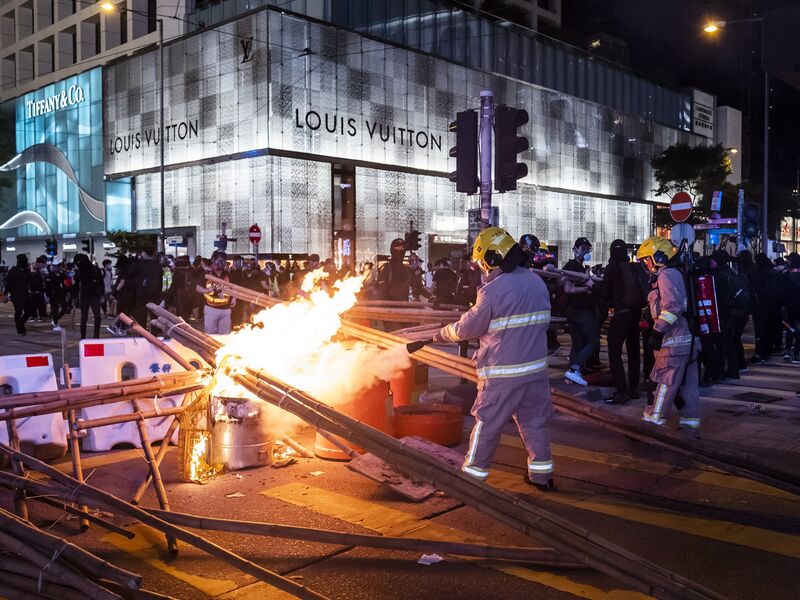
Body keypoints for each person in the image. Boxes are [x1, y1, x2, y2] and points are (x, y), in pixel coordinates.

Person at [430, 227, 555, 491]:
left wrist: (443, 333)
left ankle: (471, 479)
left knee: (487, 425)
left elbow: (468, 328)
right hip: (536, 372)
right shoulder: (536, 282)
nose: (482, 269)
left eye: (482, 263)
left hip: (503, 375)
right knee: (534, 423)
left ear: (492, 258)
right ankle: (542, 476)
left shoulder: (493, 290)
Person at [636, 237, 701, 431]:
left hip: (673, 342)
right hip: (687, 341)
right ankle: (690, 421)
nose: (646, 264)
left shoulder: (666, 275)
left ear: (658, 256)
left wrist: (657, 332)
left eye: (647, 259)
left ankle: (654, 421)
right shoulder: (677, 273)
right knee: (686, 386)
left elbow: (671, 308)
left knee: (662, 383)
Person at [597, 240, 647, 404]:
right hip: (636, 314)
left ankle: (621, 390)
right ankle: (634, 389)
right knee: (633, 352)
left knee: (614, 351)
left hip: (621, 314)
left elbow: (604, 292)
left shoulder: (612, 268)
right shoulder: (635, 268)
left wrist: (592, 286)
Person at [562, 237, 597, 385]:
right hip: (579, 310)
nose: (586, 252)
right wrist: (587, 289)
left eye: (587, 249)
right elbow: (568, 289)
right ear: (574, 250)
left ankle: (572, 375)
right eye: (582, 248)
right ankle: (575, 369)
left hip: (574, 310)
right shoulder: (572, 266)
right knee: (593, 342)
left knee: (578, 343)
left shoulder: (580, 267)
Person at [196, 251, 235, 334]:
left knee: (225, 334)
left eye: (223, 260)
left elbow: (234, 288)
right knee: (210, 333)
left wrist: (234, 298)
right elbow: (197, 288)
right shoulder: (206, 274)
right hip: (211, 308)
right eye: (218, 260)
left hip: (226, 309)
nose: (221, 262)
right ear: (213, 260)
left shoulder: (228, 275)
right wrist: (207, 290)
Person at [132, 247, 164, 331]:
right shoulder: (157, 265)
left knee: (142, 313)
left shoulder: (139, 264)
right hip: (155, 292)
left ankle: (142, 331)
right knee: (154, 313)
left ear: (144, 253)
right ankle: (155, 331)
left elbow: (131, 274)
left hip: (142, 292)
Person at [74, 254, 104, 339]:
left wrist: (101, 294)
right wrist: (75, 297)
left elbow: (101, 282)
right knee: (85, 317)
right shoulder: (79, 271)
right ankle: (84, 337)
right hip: (86, 296)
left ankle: (95, 336)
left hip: (93, 295)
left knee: (96, 317)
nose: (77, 264)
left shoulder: (95, 269)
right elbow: (76, 285)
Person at [6, 255, 32, 335]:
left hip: (24, 295)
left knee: (28, 311)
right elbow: (8, 283)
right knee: (18, 312)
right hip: (16, 295)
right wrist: (6, 294)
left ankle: (20, 324)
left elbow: (30, 280)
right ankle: (19, 329)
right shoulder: (13, 270)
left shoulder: (26, 270)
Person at [784, 254, 800, 363]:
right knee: (799, 328)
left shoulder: (785, 275)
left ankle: (787, 350)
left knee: (790, 326)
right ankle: (797, 353)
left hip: (789, 305)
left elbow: (783, 292)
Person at [46, 260, 68, 332]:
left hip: (61, 294)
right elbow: (48, 286)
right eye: (56, 266)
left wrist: (67, 292)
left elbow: (66, 284)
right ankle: (56, 325)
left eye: (59, 266)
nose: (58, 268)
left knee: (64, 308)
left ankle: (55, 320)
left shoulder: (62, 274)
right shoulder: (50, 275)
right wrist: (48, 296)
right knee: (55, 310)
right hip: (53, 295)